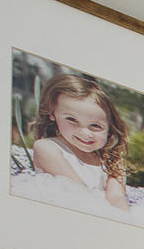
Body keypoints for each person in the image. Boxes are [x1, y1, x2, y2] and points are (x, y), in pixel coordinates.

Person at [24, 74, 133, 213]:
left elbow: (117, 200)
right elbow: (78, 193)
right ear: (52, 114)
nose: (85, 134)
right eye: (72, 119)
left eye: (95, 126)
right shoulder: (47, 148)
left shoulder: (112, 163)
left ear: (110, 128)